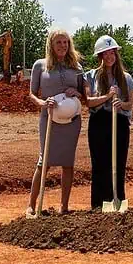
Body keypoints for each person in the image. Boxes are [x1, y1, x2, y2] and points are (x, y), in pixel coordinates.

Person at [26, 28, 86, 216]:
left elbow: (84, 94)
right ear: (51, 45)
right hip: (49, 118)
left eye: (65, 42)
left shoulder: (77, 67)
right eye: (58, 42)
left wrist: (77, 93)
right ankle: (31, 205)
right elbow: (32, 93)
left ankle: (64, 206)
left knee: (68, 162)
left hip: (72, 121)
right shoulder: (40, 65)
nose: (62, 46)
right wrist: (43, 103)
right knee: (44, 161)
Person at [84, 35, 133, 211]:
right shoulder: (90, 76)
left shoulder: (126, 78)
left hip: (119, 122)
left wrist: (121, 104)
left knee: (118, 163)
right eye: (105, 54)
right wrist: (106, 96)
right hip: (99, 123)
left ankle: (118, 200)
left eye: (112, 52)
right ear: (100, 56)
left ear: (116, 54)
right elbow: (89, 101)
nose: (109, 57)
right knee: (99, 164)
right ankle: (98, 204)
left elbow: (131, 104)